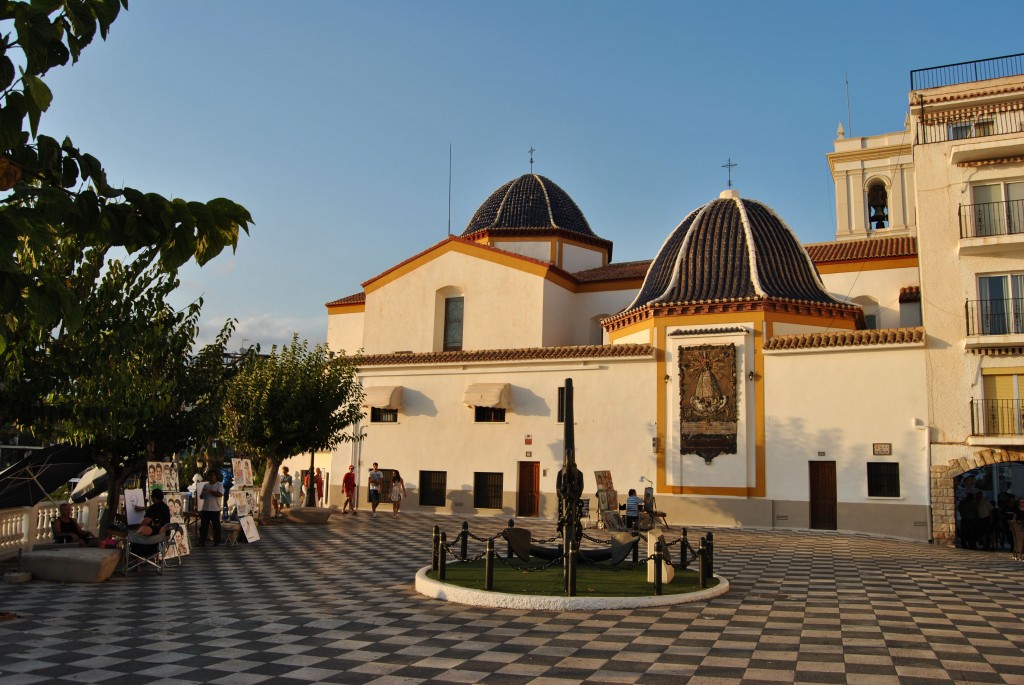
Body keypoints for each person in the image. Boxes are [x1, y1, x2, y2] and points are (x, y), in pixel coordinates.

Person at [198, 470, 224, 546]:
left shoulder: (219, 484)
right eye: (210, 475)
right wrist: (202, 493)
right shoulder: (206, 485)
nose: (211, 476)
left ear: (216, 476)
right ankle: (202, 542)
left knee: (216, 526)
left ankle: (217, 541)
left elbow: (220, 494)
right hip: (206, 508)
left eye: (213, 475)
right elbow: (201, 496)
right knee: (203, 527)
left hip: (215, 509)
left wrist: (211, 491)